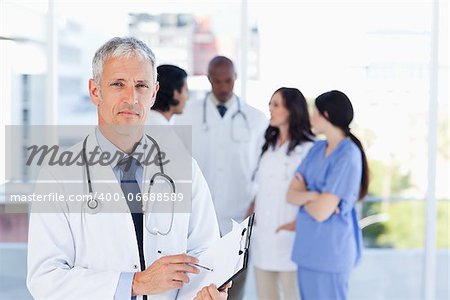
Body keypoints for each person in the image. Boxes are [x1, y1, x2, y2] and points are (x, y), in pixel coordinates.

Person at [26, 37, 230, 300]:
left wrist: (207, 291)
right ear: (95, 91)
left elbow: (205, 255)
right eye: (118, 84)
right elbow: (45, 278)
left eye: (141, 85)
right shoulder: (59, 175)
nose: (131, 98)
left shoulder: (183, 168)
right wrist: (134, 283)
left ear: (154, 93)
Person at [176, 56, 267, 299]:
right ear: (209, 80)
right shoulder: (187, 116)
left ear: (235, 78)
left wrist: (254, 206)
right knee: (197, 289)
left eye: (228, 81)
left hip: (238, 220)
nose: (224, 87)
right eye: (218, 82)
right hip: (196, 221)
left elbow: (264, 173)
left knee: (235, 290)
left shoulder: (257, 120)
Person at [287, 90, 369, 300]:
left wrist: (306, 195)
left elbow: (321, 212)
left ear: (327, 116)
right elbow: (290, 195)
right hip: (307, 252)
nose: (311, 118)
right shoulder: (316, 149)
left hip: (331, 254)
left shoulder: (348, 154)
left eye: (315, 113)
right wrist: (316, 195)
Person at [249, 87, 314, 300]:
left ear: (292, 110)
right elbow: (261, 188)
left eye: (276, 105)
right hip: (263, 237)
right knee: (265, 296)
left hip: (292, 239)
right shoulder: (267, 145)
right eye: (270, 104)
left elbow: (314, 193)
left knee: (293, 295)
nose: (270, 109)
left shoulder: (309, 149)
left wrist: (297, 224)